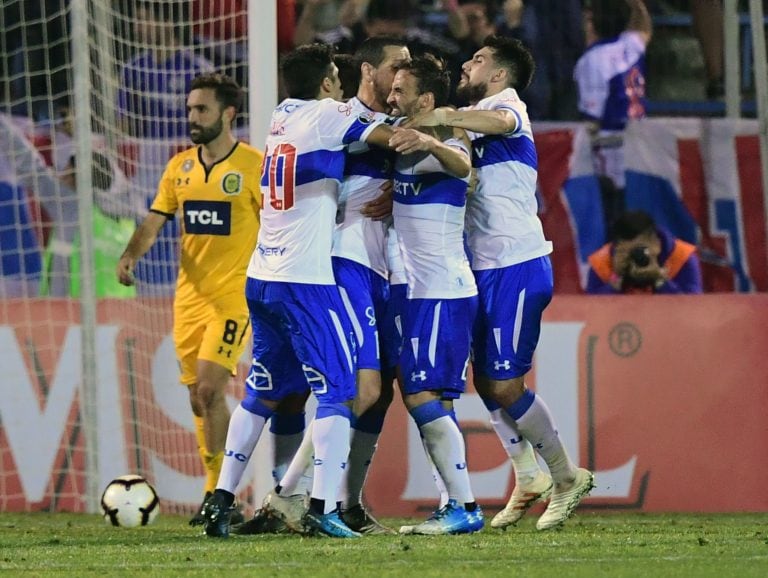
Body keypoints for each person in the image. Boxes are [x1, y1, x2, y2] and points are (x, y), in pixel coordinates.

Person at [201, 43, 397, 539]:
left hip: (261, 278)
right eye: (336, 74)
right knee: (339, 392)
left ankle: (220, 501)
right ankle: (323, 507)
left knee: (260, 393)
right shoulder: (331, 114)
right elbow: (390, 139)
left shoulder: (282, 114)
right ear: (329, 83)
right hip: (304, 280)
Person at [405, 35, 594, 531]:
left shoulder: (507, 108)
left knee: (506, 382)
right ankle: (526, 475)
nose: (467, 63)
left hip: (516, 262)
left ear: (499, 74)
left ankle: (566, 476)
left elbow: (499, 122)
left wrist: (442, 116)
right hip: (478, 267)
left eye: (479, 59)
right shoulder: (468, 131)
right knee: (486, 379)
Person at [115, 73, 262, 527]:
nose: (192, 117)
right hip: (189, 299)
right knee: (199, 402)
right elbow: (156, 219)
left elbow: (279, 223)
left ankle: (222, 492)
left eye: (201, 109)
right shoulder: (179, 167)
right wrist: (129, 257)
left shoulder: (254, 165)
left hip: (235, 297)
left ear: (228, 113)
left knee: (210, 388)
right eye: (190, 109)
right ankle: (219, 490)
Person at [386, 54, 484, 535]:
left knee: (419, 392)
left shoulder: (447, 136)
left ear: (426, 99)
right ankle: (453, 504)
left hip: (444, 290)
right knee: (433, 400)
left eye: (400, 90)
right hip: (420, 292)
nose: (391, 97)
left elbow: (467, 170)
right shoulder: (398, 137)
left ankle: (464, 507)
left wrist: (428, 138)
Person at [117, 0, 216, 295]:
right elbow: (125, 127)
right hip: (150, 176)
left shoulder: (198, 70)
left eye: (143, 19)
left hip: (193, 176)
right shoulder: (134, 69)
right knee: (151, 248)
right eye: (136, 20)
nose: (137, 27)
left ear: (165, 23)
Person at [573, 0, 652, 232]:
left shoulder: (593, 59)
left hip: (609, 155)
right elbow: (644, 30)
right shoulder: (630, 45)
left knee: (613, 222)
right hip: (638, 146)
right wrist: (638, 7)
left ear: (591, 23)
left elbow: (592, 117)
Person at [586, 210, 703, 294]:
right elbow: (591, 310)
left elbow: (692, 308)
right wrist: (616, 280)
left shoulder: (682, 257)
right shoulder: (602, 262)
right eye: (627, 252)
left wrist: (661, 281)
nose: (634, 258)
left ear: (656, 243)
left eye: (640, 250)